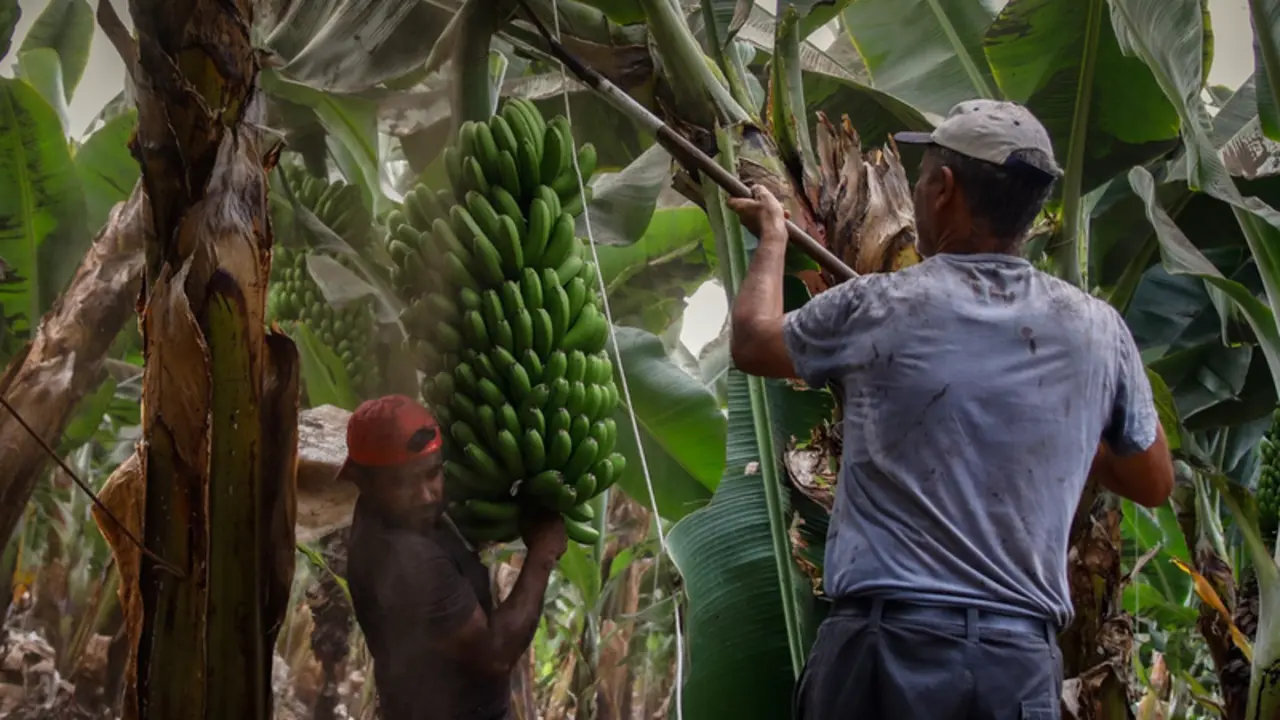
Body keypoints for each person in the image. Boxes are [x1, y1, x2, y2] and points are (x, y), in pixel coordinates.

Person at [725, 99, 1175, 719]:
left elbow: (752, 341)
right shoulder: (1097, 331)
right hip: (1013, 668)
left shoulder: (879, 306)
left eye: (921, 175)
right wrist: (1049, 419)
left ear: (942, 188)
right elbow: (1151, 481)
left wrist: (775, 238)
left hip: (884, 653)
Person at [339, 394, 567, 720]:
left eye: (432, 474)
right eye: (402, 482)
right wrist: (542, 555)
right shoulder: (406, 560)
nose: (426, 495)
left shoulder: (394, 512)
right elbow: (496, 654)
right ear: (363, 481)